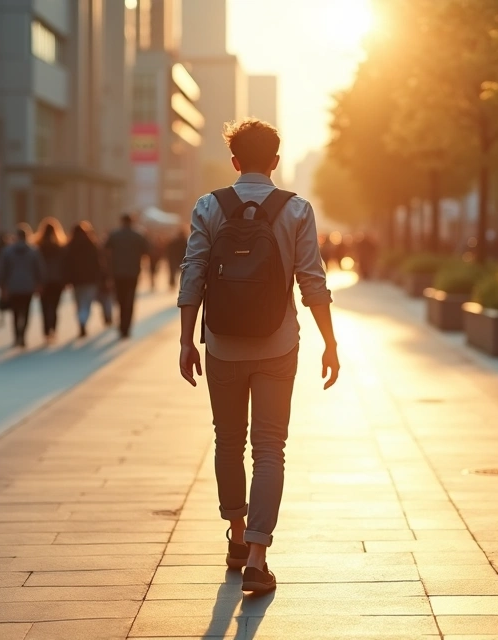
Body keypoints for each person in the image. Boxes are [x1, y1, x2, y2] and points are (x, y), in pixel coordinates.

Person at [177, 118, 340, 594]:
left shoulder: (209, 205)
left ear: (234, 162)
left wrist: (188, 339)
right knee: (270, 448)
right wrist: (330, 341)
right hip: (278, 343)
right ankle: (257, 555)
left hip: (222, 343)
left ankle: (234, 532)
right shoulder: (296, 210)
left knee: (228, 440)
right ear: (275, 161)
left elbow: (193, 272)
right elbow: (313, 280)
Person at [0, 224, 44, 348]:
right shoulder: (34, 251)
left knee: (15, 312)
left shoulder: (7, 251)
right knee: (26, 311)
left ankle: (16, 335)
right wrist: (39, 283)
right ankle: (23, 335)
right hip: (28, 286)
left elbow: (2, 270)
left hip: (13, 286)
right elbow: (39, 269)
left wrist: (2, 286)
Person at [105, 214, 150, 339]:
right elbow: (147, 250)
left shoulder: (114, 235)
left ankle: (121, 324)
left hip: (118, 272)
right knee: (130, 299)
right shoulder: (138, 235)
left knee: (120, 299)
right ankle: (126, 326)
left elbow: (105, 250)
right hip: (133, 272)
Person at [64, 222, 103, 338]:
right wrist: (100, 277)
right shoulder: (91, 244)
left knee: (79, 303)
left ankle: (81, 322)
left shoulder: (70, 245)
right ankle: (83, 321)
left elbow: (67, 264)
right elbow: (98, 263)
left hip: (76, 280)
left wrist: (67, 278)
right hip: (90, 279)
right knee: (87, 302)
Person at [35, 218, 68, 342]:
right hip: (57, 280)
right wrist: (65, 280)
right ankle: (53, 329)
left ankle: (46, 330)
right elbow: (65, 265)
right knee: (54, 307)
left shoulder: (38, 247)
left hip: (43, 280)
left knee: (44, 306)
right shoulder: (60, 247)